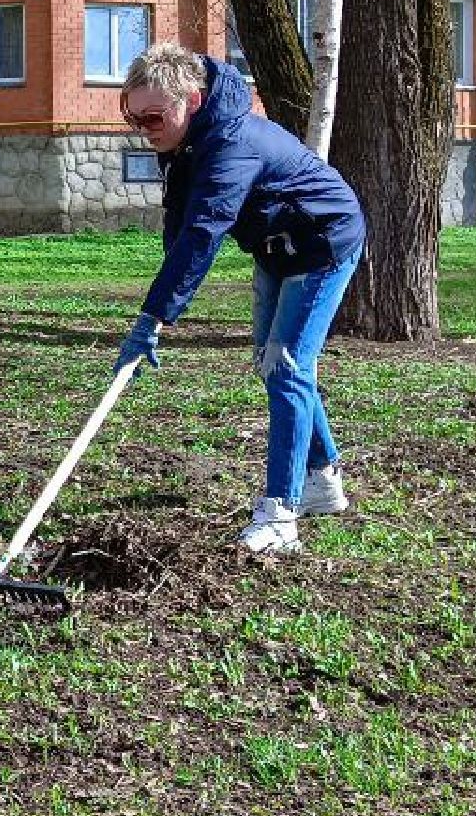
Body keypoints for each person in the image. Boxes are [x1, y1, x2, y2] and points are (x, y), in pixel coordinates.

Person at [114, 44, 366, 555]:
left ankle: (280, 517)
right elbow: (181, 227)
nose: (145, 127)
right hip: (277, 248)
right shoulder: (187, 145)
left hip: (322, 241)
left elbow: (204, 233)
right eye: (133, 117)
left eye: (154, 115)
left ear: (192, 99)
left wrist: (155, 313)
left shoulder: (230, 146)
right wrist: (159, 317)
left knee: (287, 366)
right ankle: (322, 480)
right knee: (271, 362)